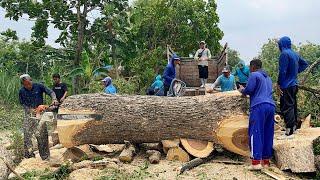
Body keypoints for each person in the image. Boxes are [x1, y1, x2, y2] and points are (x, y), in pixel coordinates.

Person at [238, 59, 275, 170]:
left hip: (259, 106)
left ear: (253, 66)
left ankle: (256, 163)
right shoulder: (268, 78)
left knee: (256, 132)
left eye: (250, 67)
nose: (249, 69)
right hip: (271, 106)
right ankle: (266, 162)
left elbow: (249, 89)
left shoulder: (254, 75)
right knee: (268, 133)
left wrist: (242, 90)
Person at [19, 74, 58, 160]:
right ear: (23, 84)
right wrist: (31, 110)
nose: (28, 86)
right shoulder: (21, 91)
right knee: (27, 135)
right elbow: (23, 104)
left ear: (31, 80)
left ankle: (45, 157)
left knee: (42, 135)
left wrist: (54, 99)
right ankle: (29, 155)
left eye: (28, 83)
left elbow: (51, 92)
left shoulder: (39, 86)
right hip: (29, 115)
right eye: (25, 85)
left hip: (40, 114)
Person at [277, 36, 308, 137]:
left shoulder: (284, 54)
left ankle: (289, 129)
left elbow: (282, 71)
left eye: (279, 44)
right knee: (293, 105)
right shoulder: (294, 54)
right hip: (294, 84)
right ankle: (294, 127)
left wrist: (279, 84)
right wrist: (294, 72)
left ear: (282, 44)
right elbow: (304, 64)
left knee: (287, 106)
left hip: (286, 85)